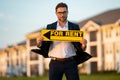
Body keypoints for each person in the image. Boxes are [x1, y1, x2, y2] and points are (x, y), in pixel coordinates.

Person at [35, 2, 91, 80]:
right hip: (55, 63)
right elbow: (44, 45)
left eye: (64, 12)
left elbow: (80, 48)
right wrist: (39, 43)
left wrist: (84, 45)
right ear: (56, 13)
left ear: (67, 12)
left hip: (71, 62)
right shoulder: (50, 27)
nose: (62, 15)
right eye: (59, 12)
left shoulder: (74, 27)